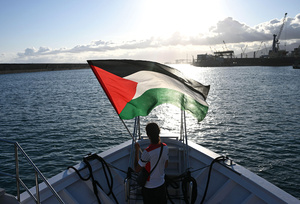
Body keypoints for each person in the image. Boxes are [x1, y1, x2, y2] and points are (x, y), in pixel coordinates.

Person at [134, 122, 169, 204]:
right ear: (158, 132)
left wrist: (136, 151)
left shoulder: (147, 152)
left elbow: (136, 169)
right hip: (161, 185)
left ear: (148, 135)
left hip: (149, 187)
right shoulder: (165, 147)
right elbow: (166, 165)